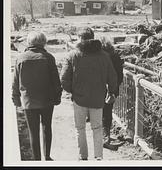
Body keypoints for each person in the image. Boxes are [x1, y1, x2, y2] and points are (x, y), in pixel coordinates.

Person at [60, 27, 117, 161]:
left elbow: (63, 78)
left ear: (80, 39)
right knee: (97, 128)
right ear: (93, 37)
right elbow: (112, 77)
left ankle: (83, 156)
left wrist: (72, 90)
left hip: (79, 99)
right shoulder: (104, 55)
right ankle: (98, 156)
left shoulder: (73, 55)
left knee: (80, 128)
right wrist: (111, 91)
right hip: (98, 98)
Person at [12, 31, 62, 161]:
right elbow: (56, 80)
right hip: (47, 100)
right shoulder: (48, 57)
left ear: (29, 42)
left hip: (28, 101)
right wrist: (58, 96)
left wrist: (16, 98)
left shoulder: (20, 58)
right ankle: (47, 156)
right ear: (43, 42)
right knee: (47, 127)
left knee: (33, 131)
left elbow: (16, 81)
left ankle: (37, 159)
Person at [99, 37, 124, 148]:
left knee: (98, 113)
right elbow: (119, 75)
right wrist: (115, 88)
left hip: (98, 89)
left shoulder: (98, 57)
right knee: (107, 113)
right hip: (111, 89)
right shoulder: (115, 57)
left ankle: (102, 136)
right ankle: (106, 136)